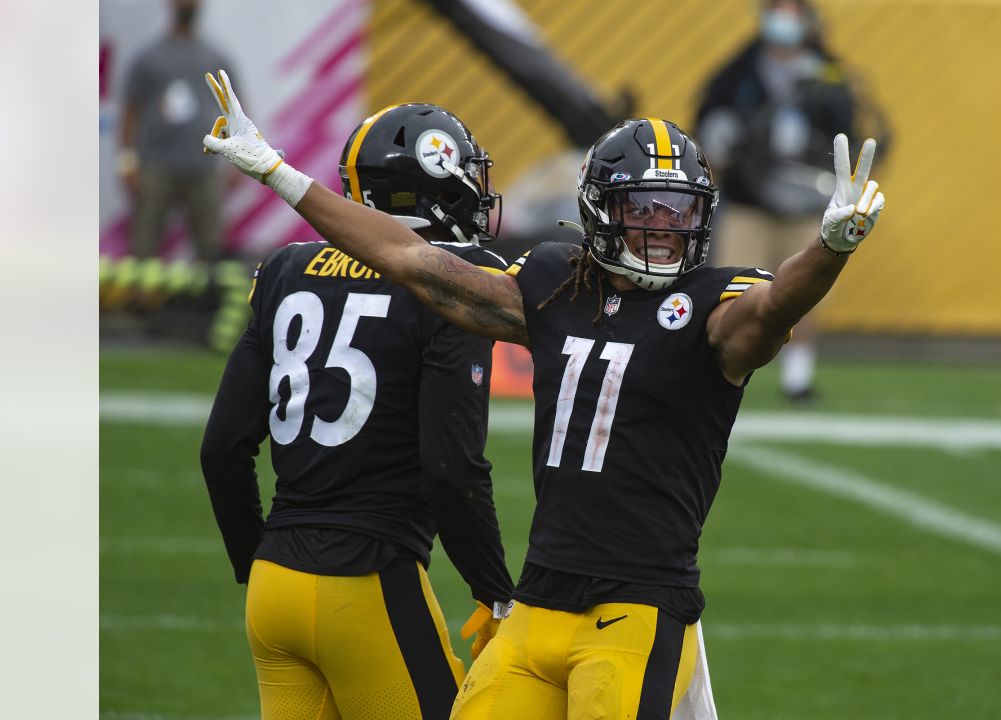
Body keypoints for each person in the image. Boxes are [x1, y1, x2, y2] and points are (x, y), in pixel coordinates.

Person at [202, 70, 885, 720]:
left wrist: (830, 249)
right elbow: (413, 261)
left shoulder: (711, 302)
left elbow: (768, 314)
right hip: (537, 603)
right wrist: (278, 172)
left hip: (634, 611)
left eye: (679, 211)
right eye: (642, 208)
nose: (663, 227)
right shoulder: (558, 286)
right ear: (598, 208)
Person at [199, 102, 516, 720]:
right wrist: (496, 592)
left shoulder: (288, 267)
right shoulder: (459, 280)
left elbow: (221, 449)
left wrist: (258, 559)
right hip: (368, 579)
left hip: (273, 587)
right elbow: (451, 467)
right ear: (435, 184)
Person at [696, 0, 888, 403]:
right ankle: (713, 372)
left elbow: (851, 126)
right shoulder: (740, 71)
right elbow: (709, 119)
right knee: (731, 286)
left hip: (808, 201)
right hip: (751, 201)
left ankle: (797, 380)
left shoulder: (829, 71)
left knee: (806, 291)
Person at [119, 0, 236, 262]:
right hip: (155, 165)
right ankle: (143, 301)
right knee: (145, 243)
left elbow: (235, 111)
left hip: (203, 166)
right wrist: (127, 162)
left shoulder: (215, 57)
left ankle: (208, 301)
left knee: (210, 247)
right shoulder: (148, 57)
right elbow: (129, 111)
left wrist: (237, 163)